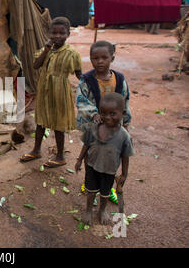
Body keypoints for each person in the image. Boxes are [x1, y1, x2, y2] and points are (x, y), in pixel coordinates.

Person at [19, 17, 82, 167]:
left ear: (68, 34)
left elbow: (79, 74)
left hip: (60, 92)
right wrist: (46, 50)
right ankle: (36, 150)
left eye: (62, 33)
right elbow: (35, 65)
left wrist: (90, 87)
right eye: (54, 33)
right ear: (49, 33)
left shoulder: (72, 54)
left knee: (58, 123)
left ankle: (60, 156)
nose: (57, 36)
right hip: (44, 90)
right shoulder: (45, 49)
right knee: (41, 121)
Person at [75, 92, 134, 225]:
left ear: (122, 113)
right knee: (90, 191)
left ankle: (102, 210)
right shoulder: (94, 128)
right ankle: (88, 210)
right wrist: (79, 160)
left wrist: (124, 174)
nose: (107, 117)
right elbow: (86, 144)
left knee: (105, 193)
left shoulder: (124, 136)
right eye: (103, 113)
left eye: (112, 114)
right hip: (91, 166)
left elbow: (125, 156)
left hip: (109, 170)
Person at [76, 40, 131, 131]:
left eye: (104, 58)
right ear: (90, 59)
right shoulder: (86, 80)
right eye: (96, 58)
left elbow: (124, 102)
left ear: (112, 59)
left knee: (113, 144)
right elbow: (81, 101)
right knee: (90, 145)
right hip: (91, 126)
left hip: (114, 125)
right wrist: (94, 114)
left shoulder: (119, 80)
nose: (100, 61)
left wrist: (125, 123)